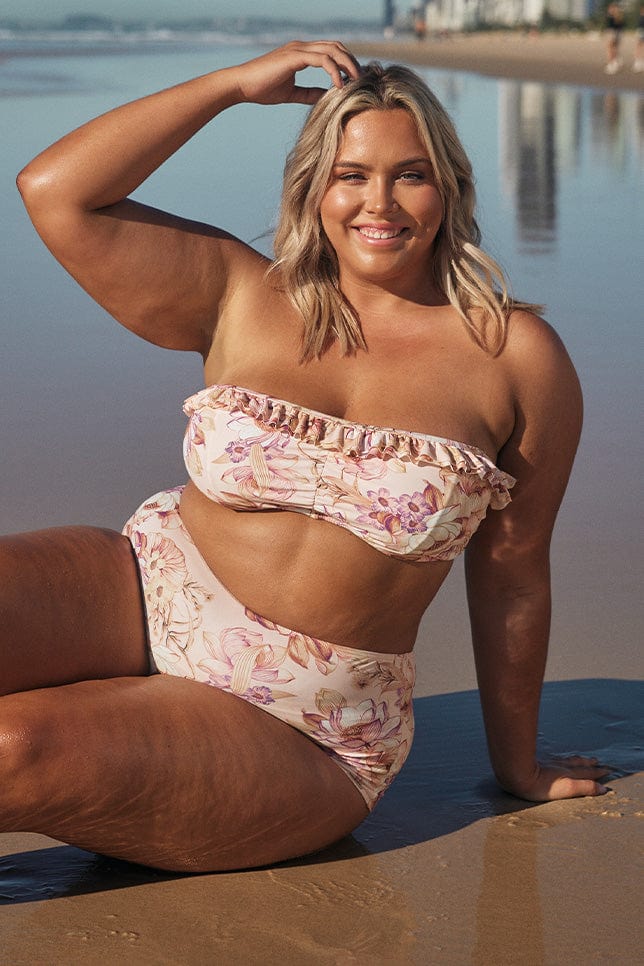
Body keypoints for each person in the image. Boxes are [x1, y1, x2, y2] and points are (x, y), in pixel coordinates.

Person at [8, 41, 608, 873]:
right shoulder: (243, 295)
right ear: (312, 187)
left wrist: (520, 767)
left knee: (13, 748)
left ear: (451, 189)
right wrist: (226, 87)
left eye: (411, 173)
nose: (380, 202)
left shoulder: (515, 356)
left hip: (302, 722)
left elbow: (513, 573)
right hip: (144, 588)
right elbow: (56, 193)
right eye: (350, 174)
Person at [604, 2, 624, 74]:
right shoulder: (614, 16)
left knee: (610, 48)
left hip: (612, 33)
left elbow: (617, 25)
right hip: (615, 33)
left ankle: (611, 63)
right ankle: (614, 62)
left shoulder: (614, 16)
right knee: (613, 48)